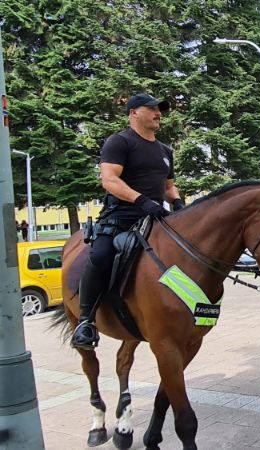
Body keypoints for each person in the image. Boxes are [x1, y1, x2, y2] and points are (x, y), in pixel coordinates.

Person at [71, 93, 184, 350]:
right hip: (120, 218)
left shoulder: (165, 151)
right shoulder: (120, 142)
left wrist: (177, 202)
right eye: (152, 109)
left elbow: (169, 187)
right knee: (100, 256)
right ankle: (85, 321)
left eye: (159, 110)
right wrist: (142, 200)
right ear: (133, 113)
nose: (158, 114)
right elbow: (109, 180)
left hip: (156, 218)